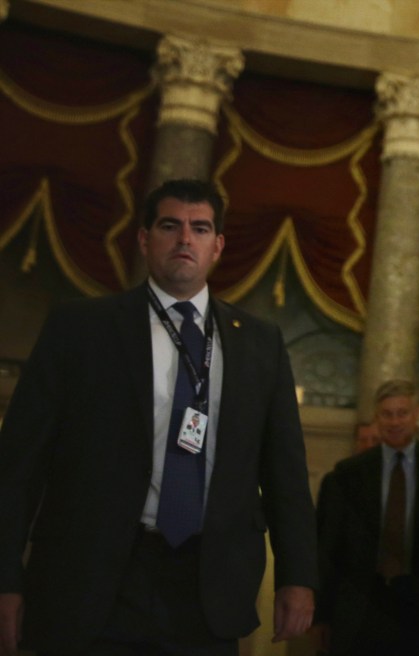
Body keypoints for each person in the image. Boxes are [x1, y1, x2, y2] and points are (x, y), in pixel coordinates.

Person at [0, 179, 318, 655]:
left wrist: (298, 577)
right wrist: (6, 578)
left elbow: (285, 475)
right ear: (145, 240)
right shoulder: (81, 328)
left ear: (218, 246)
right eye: (170, 225)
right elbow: (18, 466)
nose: (185, 239)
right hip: (91, 578)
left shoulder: (260, 343)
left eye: (200, 228)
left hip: (207, 585)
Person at [314, 380, 419, 656]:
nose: (394, 421)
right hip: (358, 610)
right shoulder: (348, 474)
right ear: (377, 417)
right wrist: (321, 614)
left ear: (416, 414)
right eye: (387, 414)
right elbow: (328, 547)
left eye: (402, 413)